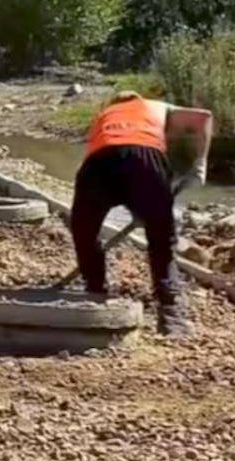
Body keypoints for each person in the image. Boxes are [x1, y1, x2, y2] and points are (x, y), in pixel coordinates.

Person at [72, 92, 212, 337]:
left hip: (98, 163)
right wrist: (200, 165)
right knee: (161, 241)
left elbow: (110, 154)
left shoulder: (105, 115)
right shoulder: (153, 106)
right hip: (144, 159)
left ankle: (95, 291)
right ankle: (172, 317)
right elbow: (203, 117)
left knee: (84, 230)